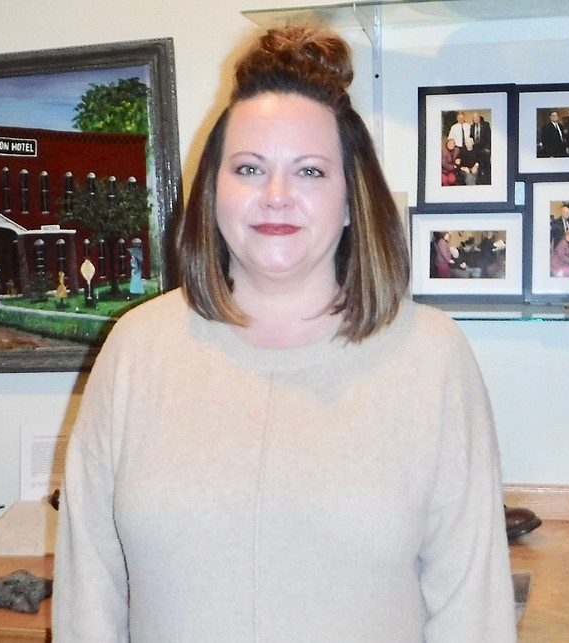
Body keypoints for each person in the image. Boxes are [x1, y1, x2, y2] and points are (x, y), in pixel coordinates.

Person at [54, 25, 516, 643]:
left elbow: (471, 608)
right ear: (213, 190)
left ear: (351, 199)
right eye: (249, 168)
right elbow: (91, 591)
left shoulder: (431, 357)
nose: (276, 197)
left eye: (309, 172)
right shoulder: (137, 349)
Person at [470, 111, 492, 184]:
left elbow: (489, 137)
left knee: (485, 163)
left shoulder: (486, 125)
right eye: (473, 118)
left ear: (479, 117)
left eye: (476, 117)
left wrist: (488, 148)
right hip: (475, 148)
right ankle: (479, 180)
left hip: (484, 147)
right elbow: (471, 137)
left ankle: (488, 180)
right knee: (476, 163)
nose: (475, 119)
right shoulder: (472, 127)